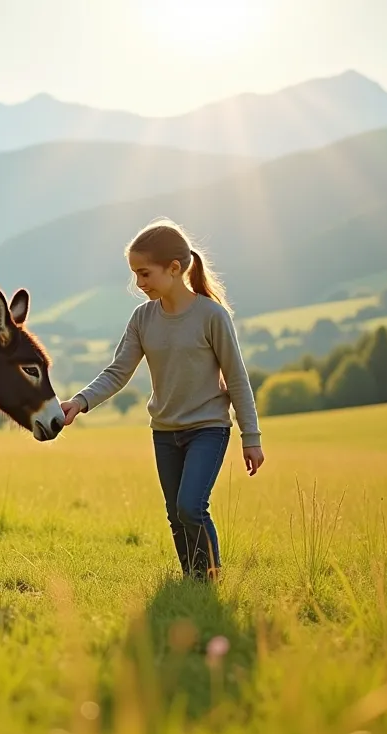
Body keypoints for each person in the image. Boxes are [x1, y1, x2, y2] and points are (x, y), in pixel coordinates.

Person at [61, 218, 264, 581]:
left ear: (174, 269)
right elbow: (117, 372)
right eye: (135, 275)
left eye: (144, 274)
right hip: (165, 432)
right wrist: (80, 401)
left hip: (208, 428)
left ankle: (209, 578)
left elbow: (236, 379)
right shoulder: (142, 319)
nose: (138, 284)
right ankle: (193, 581)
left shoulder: (211, 316)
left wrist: (251, 437)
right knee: (175, 513)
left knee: (191, 506)